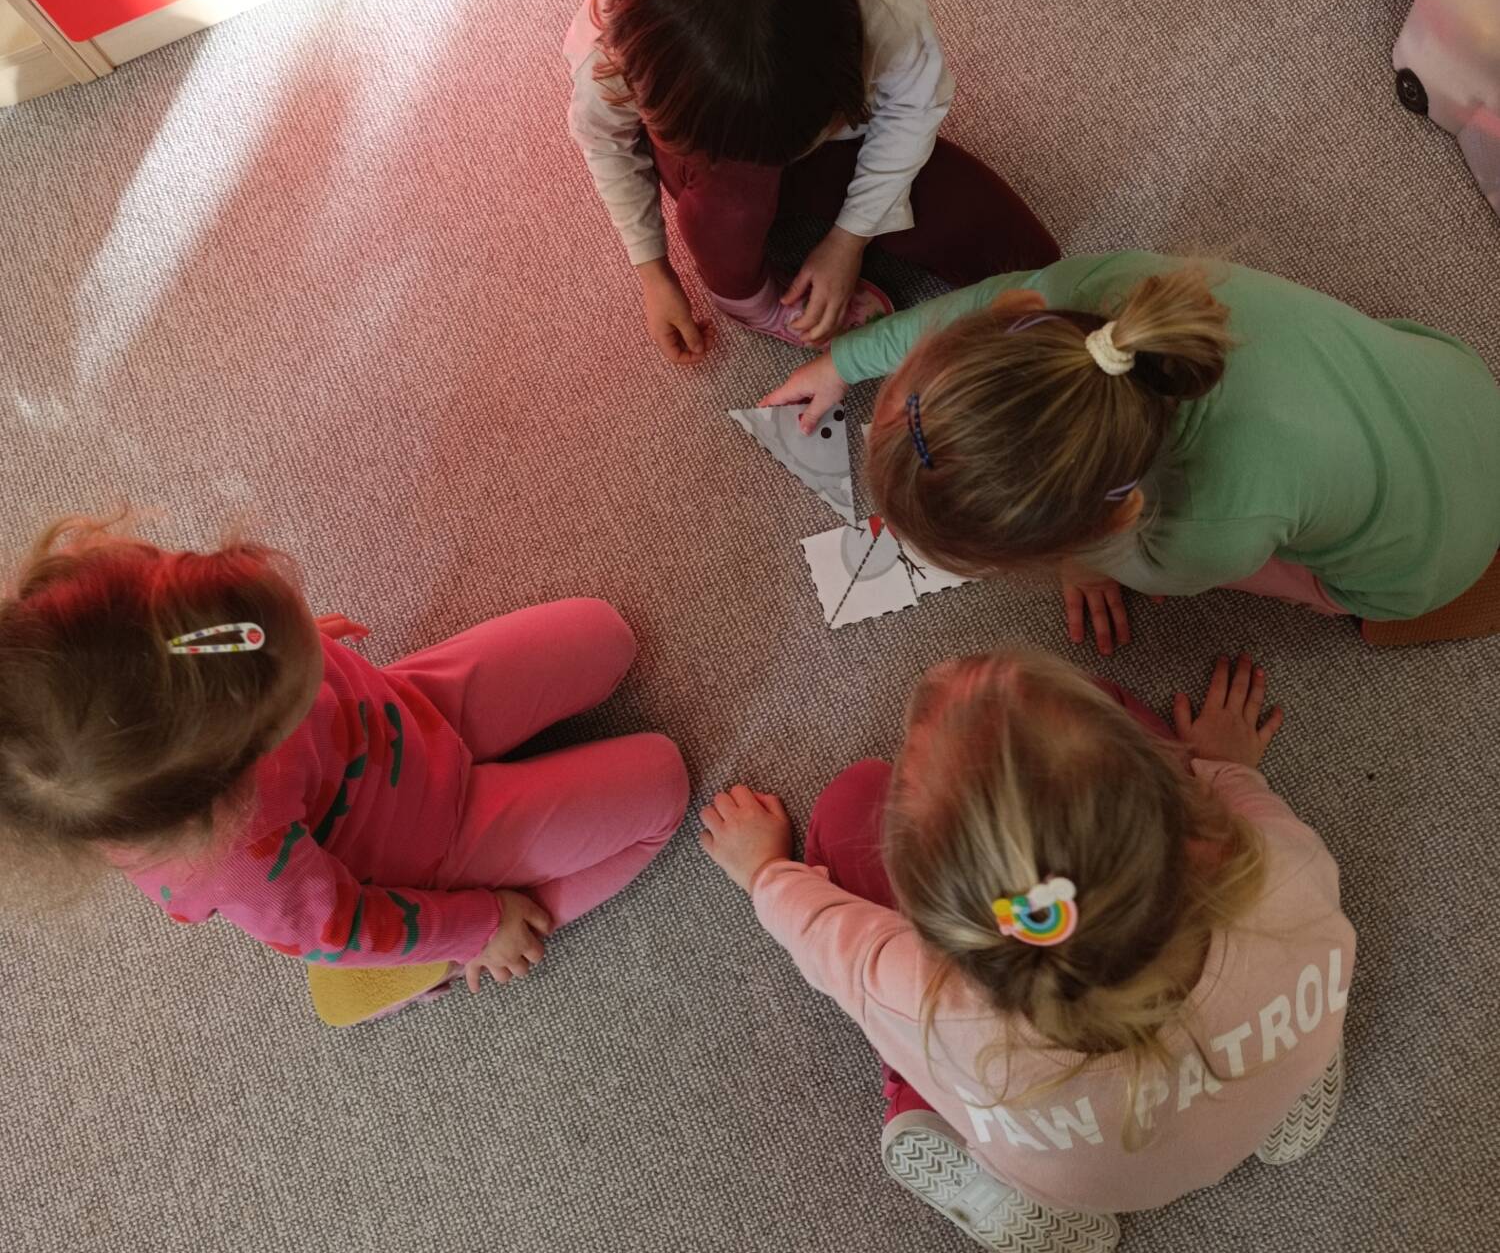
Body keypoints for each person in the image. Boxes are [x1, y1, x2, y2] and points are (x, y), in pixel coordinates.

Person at [700, 650, 1352, 1246]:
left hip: (1083, 1181)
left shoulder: (934, 1002)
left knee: (850, 807)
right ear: (1199, 838)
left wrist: (764, 872)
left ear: (934, 925)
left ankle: (932, 1120)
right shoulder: (1283, 870)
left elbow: (826, 938)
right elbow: (1239, 812)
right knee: (1104, 703)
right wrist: (1224, 769)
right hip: (1275, 1043)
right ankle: (1288, 1092)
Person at [0, 516, 688, 1011]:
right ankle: (445, 964)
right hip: (430, 847)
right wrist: (479, 927)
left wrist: (285, 644)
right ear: (233, 770)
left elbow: (230, 637)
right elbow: (339, 927)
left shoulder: (209, 652)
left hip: (406, 714)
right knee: (663, 783)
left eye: (251, 634)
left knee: (604, 632)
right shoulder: (237, 860)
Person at [763, 251, 1500, 649]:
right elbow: (969, 312)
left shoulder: (1197, 532)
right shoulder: (1092, 291)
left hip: (1427, 569)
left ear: (1114, 519)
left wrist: (1088, 562)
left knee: (1296, 579)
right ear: (1020, 313)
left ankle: (1344, 596)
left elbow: (1145, 550)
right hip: (1458, 381)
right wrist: (846, 359)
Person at [564, 0, 1058, 364]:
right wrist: (653, 270)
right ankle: (748, 301)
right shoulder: (612, 48)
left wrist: (849, 238)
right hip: (712, 161)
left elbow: (912, 109)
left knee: (1030, 261)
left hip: (818, 125)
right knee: (728, 206)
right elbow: (608, 144)